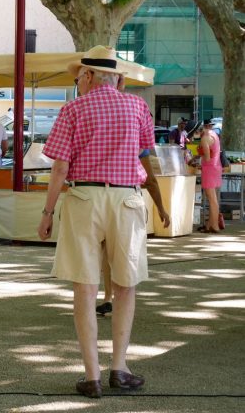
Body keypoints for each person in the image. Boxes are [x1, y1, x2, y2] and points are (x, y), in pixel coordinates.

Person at [37, 45, 153, 399]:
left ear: (88, 75)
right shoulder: (137, 106)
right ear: (116, 78)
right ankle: (119, 367)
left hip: (84, 199)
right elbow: (145, 153)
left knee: (85, 288)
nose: (78, 84)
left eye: (78, 78)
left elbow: (59, 166)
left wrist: (47, 213)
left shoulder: (72, 108)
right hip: (127, 198)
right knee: (125, 285)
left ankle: (92, 376)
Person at [96, 77, 171, 315]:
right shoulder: (135, 122)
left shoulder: (92, 114)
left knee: (107, 252)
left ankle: (109, 295)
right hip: (127, 198)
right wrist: (160, 207)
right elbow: (149, 177)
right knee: (123, 254)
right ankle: (118, 296)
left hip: (97, 198)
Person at [198, 118, 223, 233]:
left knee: (212, 199)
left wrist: (200, 157)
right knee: (213, 199)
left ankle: (214, 226)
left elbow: (207, 158)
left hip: (209, 169)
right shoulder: (215, 135)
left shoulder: (205, 139)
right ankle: (210, 225)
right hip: (216, 167)